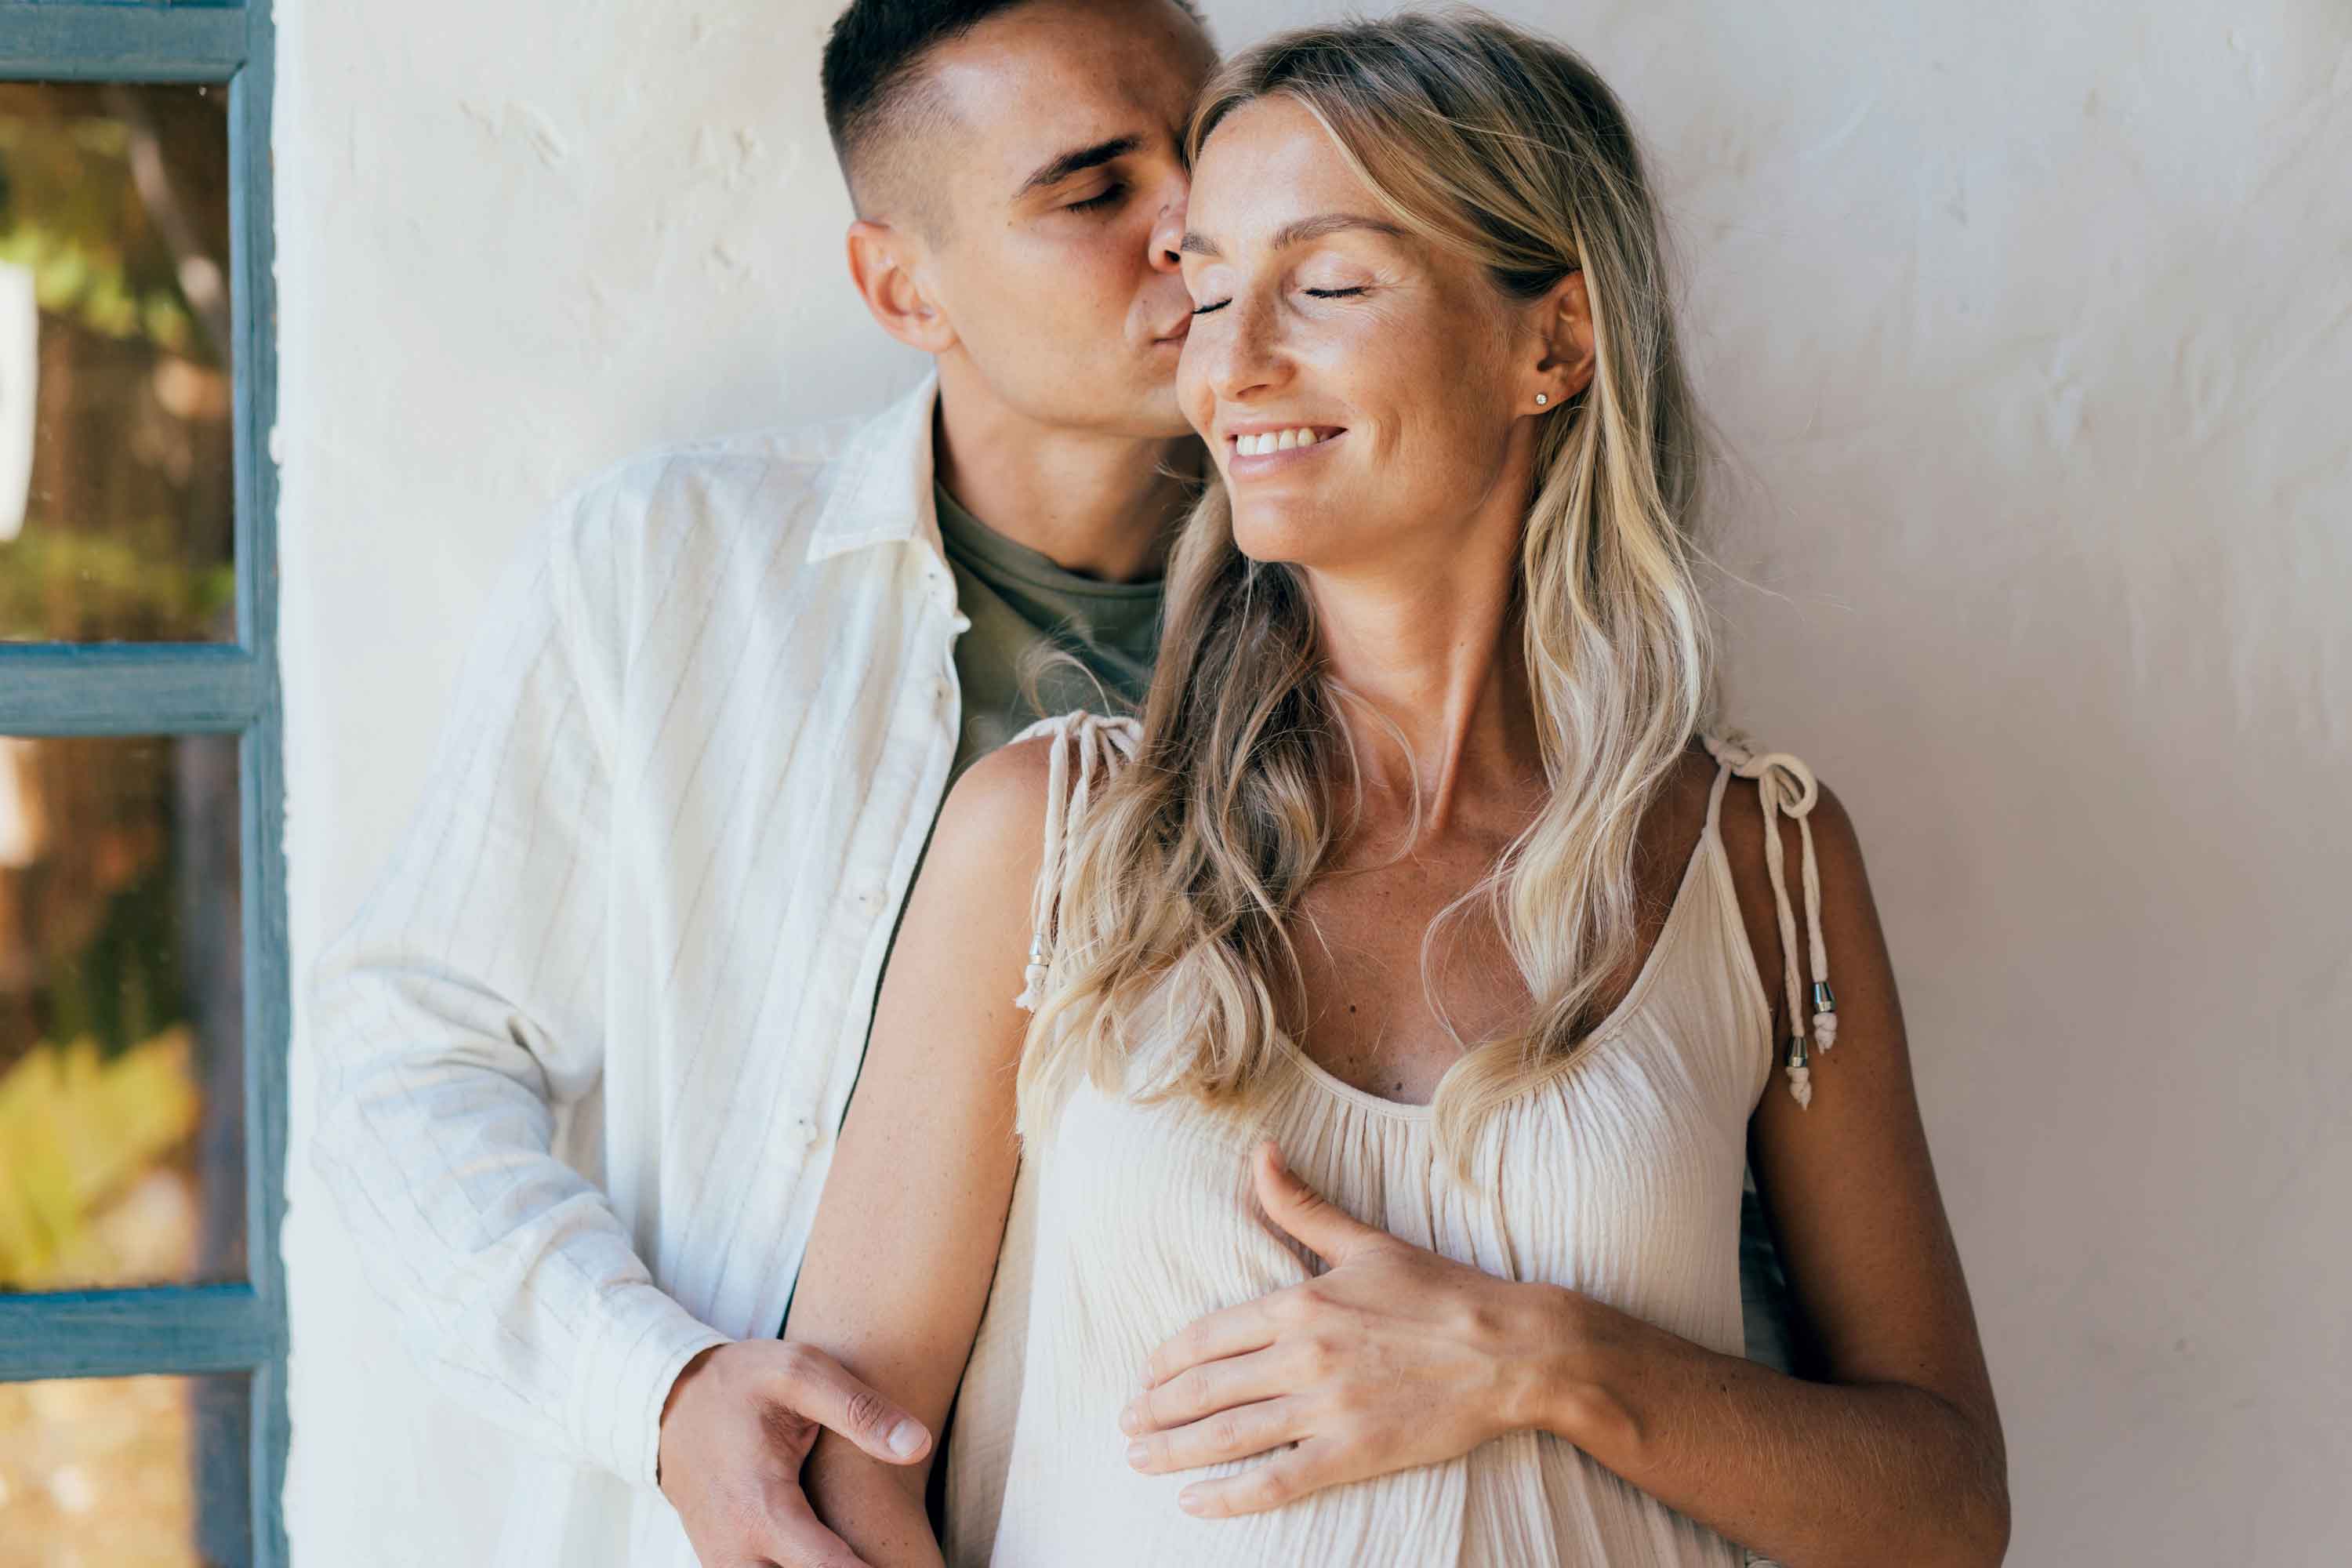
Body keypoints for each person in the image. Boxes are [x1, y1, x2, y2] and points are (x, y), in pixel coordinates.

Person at [308, 2, 1804, 1564]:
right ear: (904, 285)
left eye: (1203, 151)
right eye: (1094, 193)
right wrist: (659, 1383)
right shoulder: (670, 577)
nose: (1189, 231)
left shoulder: (1398, 596)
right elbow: (407, 1054)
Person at [784, 13, 2009, 1567]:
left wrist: (1548, 1361)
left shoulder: (1762, 862)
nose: (1228, 362)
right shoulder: (1050, 837)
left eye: (1329, 283)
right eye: (1211, 286)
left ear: (1553, 342)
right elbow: (842, 1463)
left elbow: (1949, 1507)